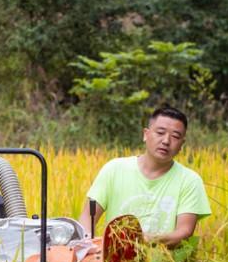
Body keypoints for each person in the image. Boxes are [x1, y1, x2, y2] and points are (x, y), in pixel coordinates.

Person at [79, 106, 211, 249]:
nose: (166, 141)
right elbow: (87, 217)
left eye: (175, 137)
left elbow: (184, 231)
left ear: (181, 145)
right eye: (160, 132)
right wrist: (87, 247)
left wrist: (145, 240)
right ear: (145, 134)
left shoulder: (190, 180)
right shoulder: (114, 169)